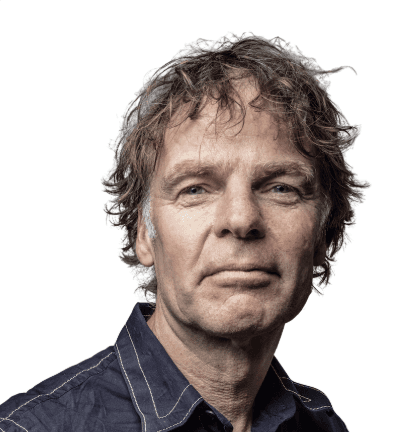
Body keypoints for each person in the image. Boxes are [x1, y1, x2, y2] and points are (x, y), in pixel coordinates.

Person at [0, 35, 367, 432]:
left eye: (281, 188)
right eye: (195, 189)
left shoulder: (322, 425)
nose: (241, 219)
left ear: (323, 231)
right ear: (143, 232)